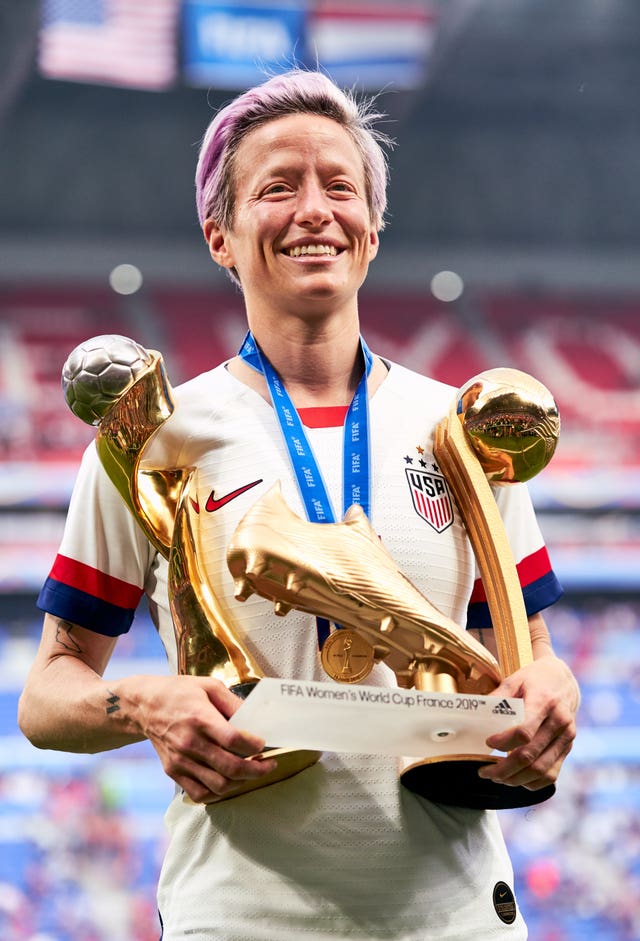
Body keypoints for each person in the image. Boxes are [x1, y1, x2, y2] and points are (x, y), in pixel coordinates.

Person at [18, 68, 579, 941]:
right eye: (277, 187)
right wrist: (145, 704)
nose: (314, 209)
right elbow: (48, 694)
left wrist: (552, 689)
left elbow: (532, 649)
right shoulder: (152, 435)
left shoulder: (459, 426)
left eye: (339, 186)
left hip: (456, 913)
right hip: (241, 916)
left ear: (371, 231)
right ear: (222, 236)